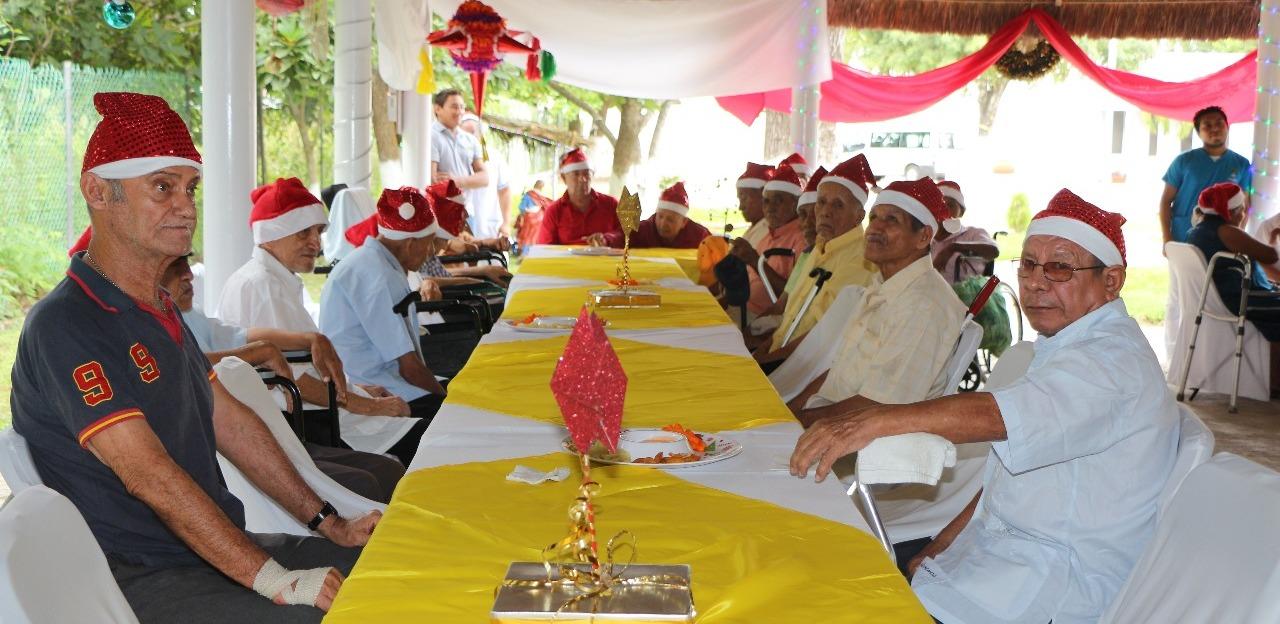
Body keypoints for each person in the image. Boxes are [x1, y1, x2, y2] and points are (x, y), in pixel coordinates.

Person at [12, 91, 375, 622]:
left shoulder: (157, 304)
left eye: (190, 188)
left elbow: (227, 420)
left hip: (216, 549)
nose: (186, 206)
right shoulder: (66, 325)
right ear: (97, 191)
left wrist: (330, 522)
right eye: (162, 187)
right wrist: (274, 580)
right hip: (140, 579)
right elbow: (147, 474)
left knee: (386, 564)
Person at [790, 189, 1181, 624]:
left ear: (1111, 281)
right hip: (993, 564)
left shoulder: (1111, 362)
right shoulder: (1067, 344)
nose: (1035, 281)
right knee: (819, 570)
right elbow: (1007, 474)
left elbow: (994, 416)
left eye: (1059, 267)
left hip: (1047, 592)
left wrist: (875, 421)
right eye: (1029, 264)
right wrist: (943, 543)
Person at [161, 256, 412, 499]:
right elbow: (184, 363)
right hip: (230, 449)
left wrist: (309, 339)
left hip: (274, 428)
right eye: (175, 264)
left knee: (388, 470)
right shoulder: (259, 285)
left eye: (187, 262)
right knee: (369, 481)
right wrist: (260, 352)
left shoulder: (188, 315)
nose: (189, 274)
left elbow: (240, 336)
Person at [787, 178, 965, 427]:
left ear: (924, 236)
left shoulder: (925, 305)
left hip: (862, 446)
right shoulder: (882, 283)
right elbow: (840, 372)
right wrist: (790, 410)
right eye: (874, 218)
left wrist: (799, 421)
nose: (874, 229)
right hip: (831, 422)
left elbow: (879, 406)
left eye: (892, 220)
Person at [320, 186, 450, 424]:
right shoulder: (379, 275)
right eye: (429, 243)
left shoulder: (371, 261)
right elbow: (408, 369)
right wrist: (449, 401)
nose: (430, 252)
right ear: (410, 243)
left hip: (381, 380)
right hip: (378, 390)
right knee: (463, 409)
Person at [757, 155, 878, 366]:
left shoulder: (861, 259)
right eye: (821, 202)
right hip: (781, 353)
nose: (825, 213)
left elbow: (822, 336)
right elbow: (790, 317)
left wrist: (765, 361)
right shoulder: (820, 246)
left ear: (859, 216)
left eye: (838, 205)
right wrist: (764, 349)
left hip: (803, 367)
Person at [1186, 182, 1280, 391]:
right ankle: (1274, 381)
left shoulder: (1197, 230)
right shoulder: (1226, 232)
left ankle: (1273, 380)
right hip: (1237, 298)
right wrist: (1273, 239)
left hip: (1217, 298)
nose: (1244, 214)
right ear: (1232, 211)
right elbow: (1270, 255)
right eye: (1243, 209)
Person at [1160, 105, 1253, 245]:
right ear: (1198, 132)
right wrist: (1167, 238)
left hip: (1224, 239)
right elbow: (1166, 202)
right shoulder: (1183, 161)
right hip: (1183, 236)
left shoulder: (1242, 164)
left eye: (1219, 123)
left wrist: (1238, 233)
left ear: (1227, 126)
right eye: (1207, 125)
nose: (1214, 129)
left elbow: (1245, 204)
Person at [729, 164, 810, 318]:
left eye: (778, 201)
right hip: (743, 308)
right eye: (766, 202)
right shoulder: (769, 234)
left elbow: (793, 296)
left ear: (795, 204)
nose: (770, 208)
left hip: (763, 319)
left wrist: (755, 260)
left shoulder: (801, 239)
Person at [535, 148, 621, 245]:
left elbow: (626, 235)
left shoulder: (611, 204)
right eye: (576, 174)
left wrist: (607, 239)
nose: (582, 179)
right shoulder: (553, 212)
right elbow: (545, 250)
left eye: (586, 173)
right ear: (564, 178)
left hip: (606, 260)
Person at [602, 181, 711, 249]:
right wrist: (605, 239)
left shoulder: (699, 235)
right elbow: (621, 236)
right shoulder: (645, 228)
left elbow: (715, 247)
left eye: (670, 219)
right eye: (660, 216)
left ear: (684, 222)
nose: (663, 223)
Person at [930, 180, 999, 284]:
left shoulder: (972, 234)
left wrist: (953, 247)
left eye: (950, 205)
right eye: (940, 205)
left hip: (965, 298)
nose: (944, 210)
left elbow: (993, 251)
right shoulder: (924, 239)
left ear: (961, 212)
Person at [458, 112, 512, 240]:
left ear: (481, 134)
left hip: (489, 225)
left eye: (473, 132)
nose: (469, 137)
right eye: (464, 133)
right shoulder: (454, 156)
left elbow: (504, 190)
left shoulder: (494, 157)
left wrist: (506, 223)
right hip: (463, 226)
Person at [431, 89, 488, 202]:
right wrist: (471, 181)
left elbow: (485, 178)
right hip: (440, 212)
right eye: (454, 107)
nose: (459, 111)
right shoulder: (430, 136)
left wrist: (457, 181)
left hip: (467, 212)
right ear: (437, 109)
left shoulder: (470, 139)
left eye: (462, 107)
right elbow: (433, 180)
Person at [735, 162, 773, 247]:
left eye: (744, 199)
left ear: (763, 195)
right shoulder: (756, 227)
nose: (741, 207)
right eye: (740, 200)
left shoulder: (769, 231)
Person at [515, 179, 550, 256]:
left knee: (527, 235)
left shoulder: (529, 195)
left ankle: (525, 253)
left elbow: (522, 207)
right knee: (535, 236)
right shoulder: (541, 197)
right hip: (539, 219)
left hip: (529, 219)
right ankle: (535, 252)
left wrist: (523, 215)